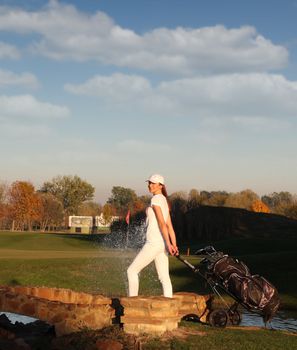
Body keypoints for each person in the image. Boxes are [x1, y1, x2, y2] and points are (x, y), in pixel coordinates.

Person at [127, 174, 179, 298]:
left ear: (161, 185)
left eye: (153, 183)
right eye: (149, 183)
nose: (150, 185)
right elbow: (170, 226)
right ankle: (169, 306)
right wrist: (173, 244)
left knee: (132, 271)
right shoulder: (164, 200)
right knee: (164, 277)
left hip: (154, 243)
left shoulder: (156, 199)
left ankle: (132, 302)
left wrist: (169, 243)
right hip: (162, 245)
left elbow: (163, 224)